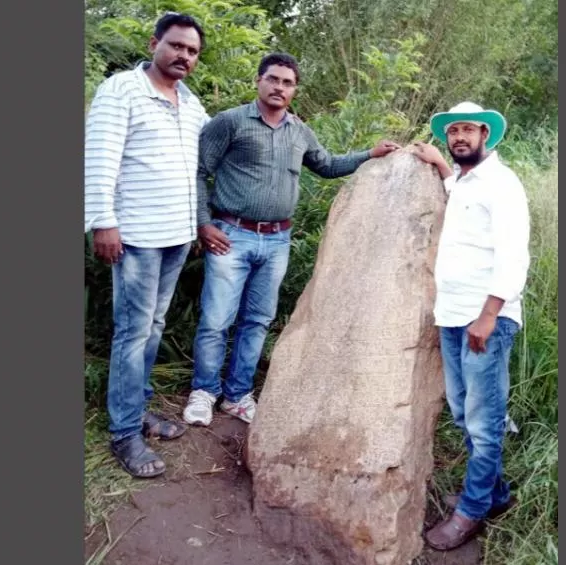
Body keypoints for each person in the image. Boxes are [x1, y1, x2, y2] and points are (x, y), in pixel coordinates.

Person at [182, 52, 400, 427]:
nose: (279, 87)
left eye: (287, 82)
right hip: (230, 236)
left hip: (277, 240)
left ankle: (237, 396)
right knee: (217, 319)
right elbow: (199, 172)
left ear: (294, 89)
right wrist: (204, 224)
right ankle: (204, 392)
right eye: (273, 79)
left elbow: (327, 165)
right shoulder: (230, 123)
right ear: (259, 81)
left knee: (257, 321)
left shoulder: (299, 131)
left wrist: (371, 154)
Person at [84, 12, 210, 478]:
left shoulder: (191, 104)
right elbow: (99, 158)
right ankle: (123, 434)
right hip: (134, 236)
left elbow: (205, 160)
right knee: (133, 332)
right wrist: (103, 222)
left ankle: (137, 412)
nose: (184, 56)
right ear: (155, 42)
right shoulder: (121, 90)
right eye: (177, 45)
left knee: (152, 326)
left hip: (176, 235)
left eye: (193, 51)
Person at [410, 101, 530, 550]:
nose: (458, 137)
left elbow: (514, 254)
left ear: (485, 133)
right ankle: (497, 494)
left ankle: (471, 511)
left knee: (483, 421)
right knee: (463, 411)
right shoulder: (462, 180)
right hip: (452, 314)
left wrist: (490, 313)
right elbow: (456, 190)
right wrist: (441, 165)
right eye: (452, 131)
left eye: (467, 130)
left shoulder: (502, 183)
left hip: (485, 320)